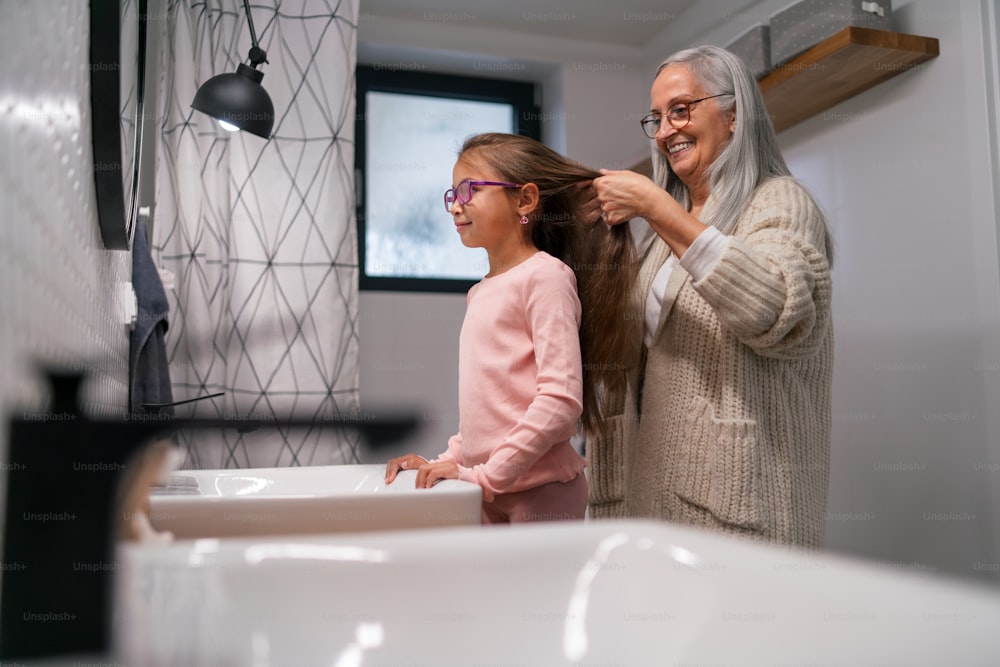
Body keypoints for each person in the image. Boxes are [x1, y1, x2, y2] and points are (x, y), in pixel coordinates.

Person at [587, 45, 834, 548]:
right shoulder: (658, 241)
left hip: (743, 508)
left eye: (680, 110)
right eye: (655, 119)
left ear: (734, 115)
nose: (663, 132)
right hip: (659, 495)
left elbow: (776, 310)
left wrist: (656, 207)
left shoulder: (780, 201)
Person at [385, 132, 637, 524]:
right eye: (452, 195)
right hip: (490, 488)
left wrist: (485, 477)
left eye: (469, 190)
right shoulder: (480, 292)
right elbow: (490, 412)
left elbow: (559, 402)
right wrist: (445, 461)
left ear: (525, 200)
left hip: (540, 493)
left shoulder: (546, 278)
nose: (456, 206)